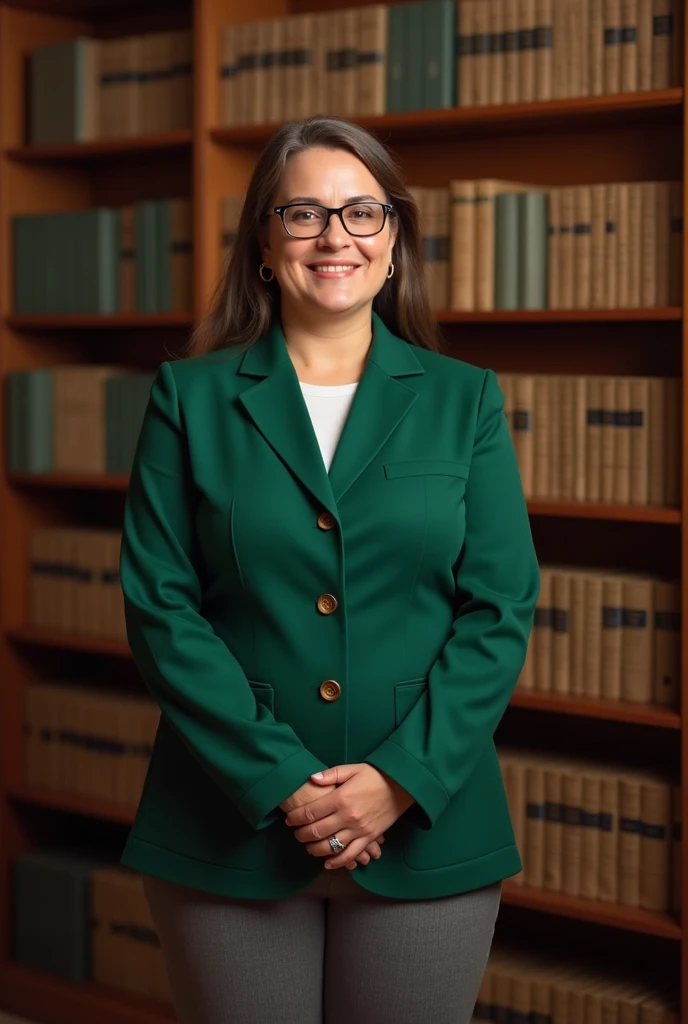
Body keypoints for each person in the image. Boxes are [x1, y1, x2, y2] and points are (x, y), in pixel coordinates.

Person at [118, 114, 540, 1024]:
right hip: (225, 823)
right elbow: (160, 605)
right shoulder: (188, 397)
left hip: (428, 823)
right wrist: (278, 779)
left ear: (394, 243)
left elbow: (500, 605)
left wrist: (399, 780)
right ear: (265, 243)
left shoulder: (466, 397)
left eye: (363, 213)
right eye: (303, 213)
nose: (335, 236)